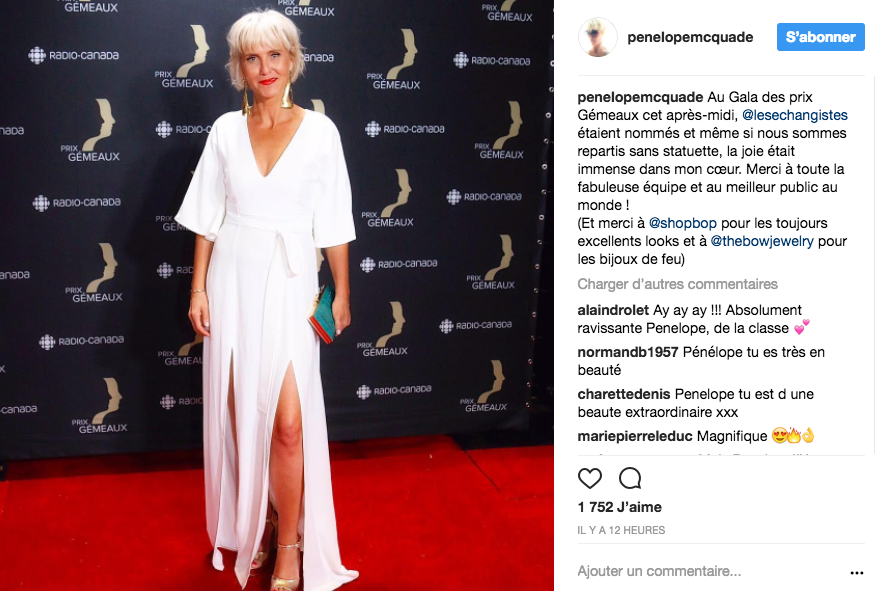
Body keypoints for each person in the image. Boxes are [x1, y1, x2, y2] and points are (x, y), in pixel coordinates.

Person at [173, 8, 359, 591]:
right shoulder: (225, 132)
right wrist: (198, 287)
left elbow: (334, 222)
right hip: (231, 280)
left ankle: (290, 541)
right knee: (241, 419)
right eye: (252, 58)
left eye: (274, 55)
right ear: (239, 68)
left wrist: (342, 291)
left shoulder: (322, 132)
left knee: (288, 426)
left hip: (291, 284)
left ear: (293, 60)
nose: (265, 68)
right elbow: (207, 218)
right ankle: (259, 517)